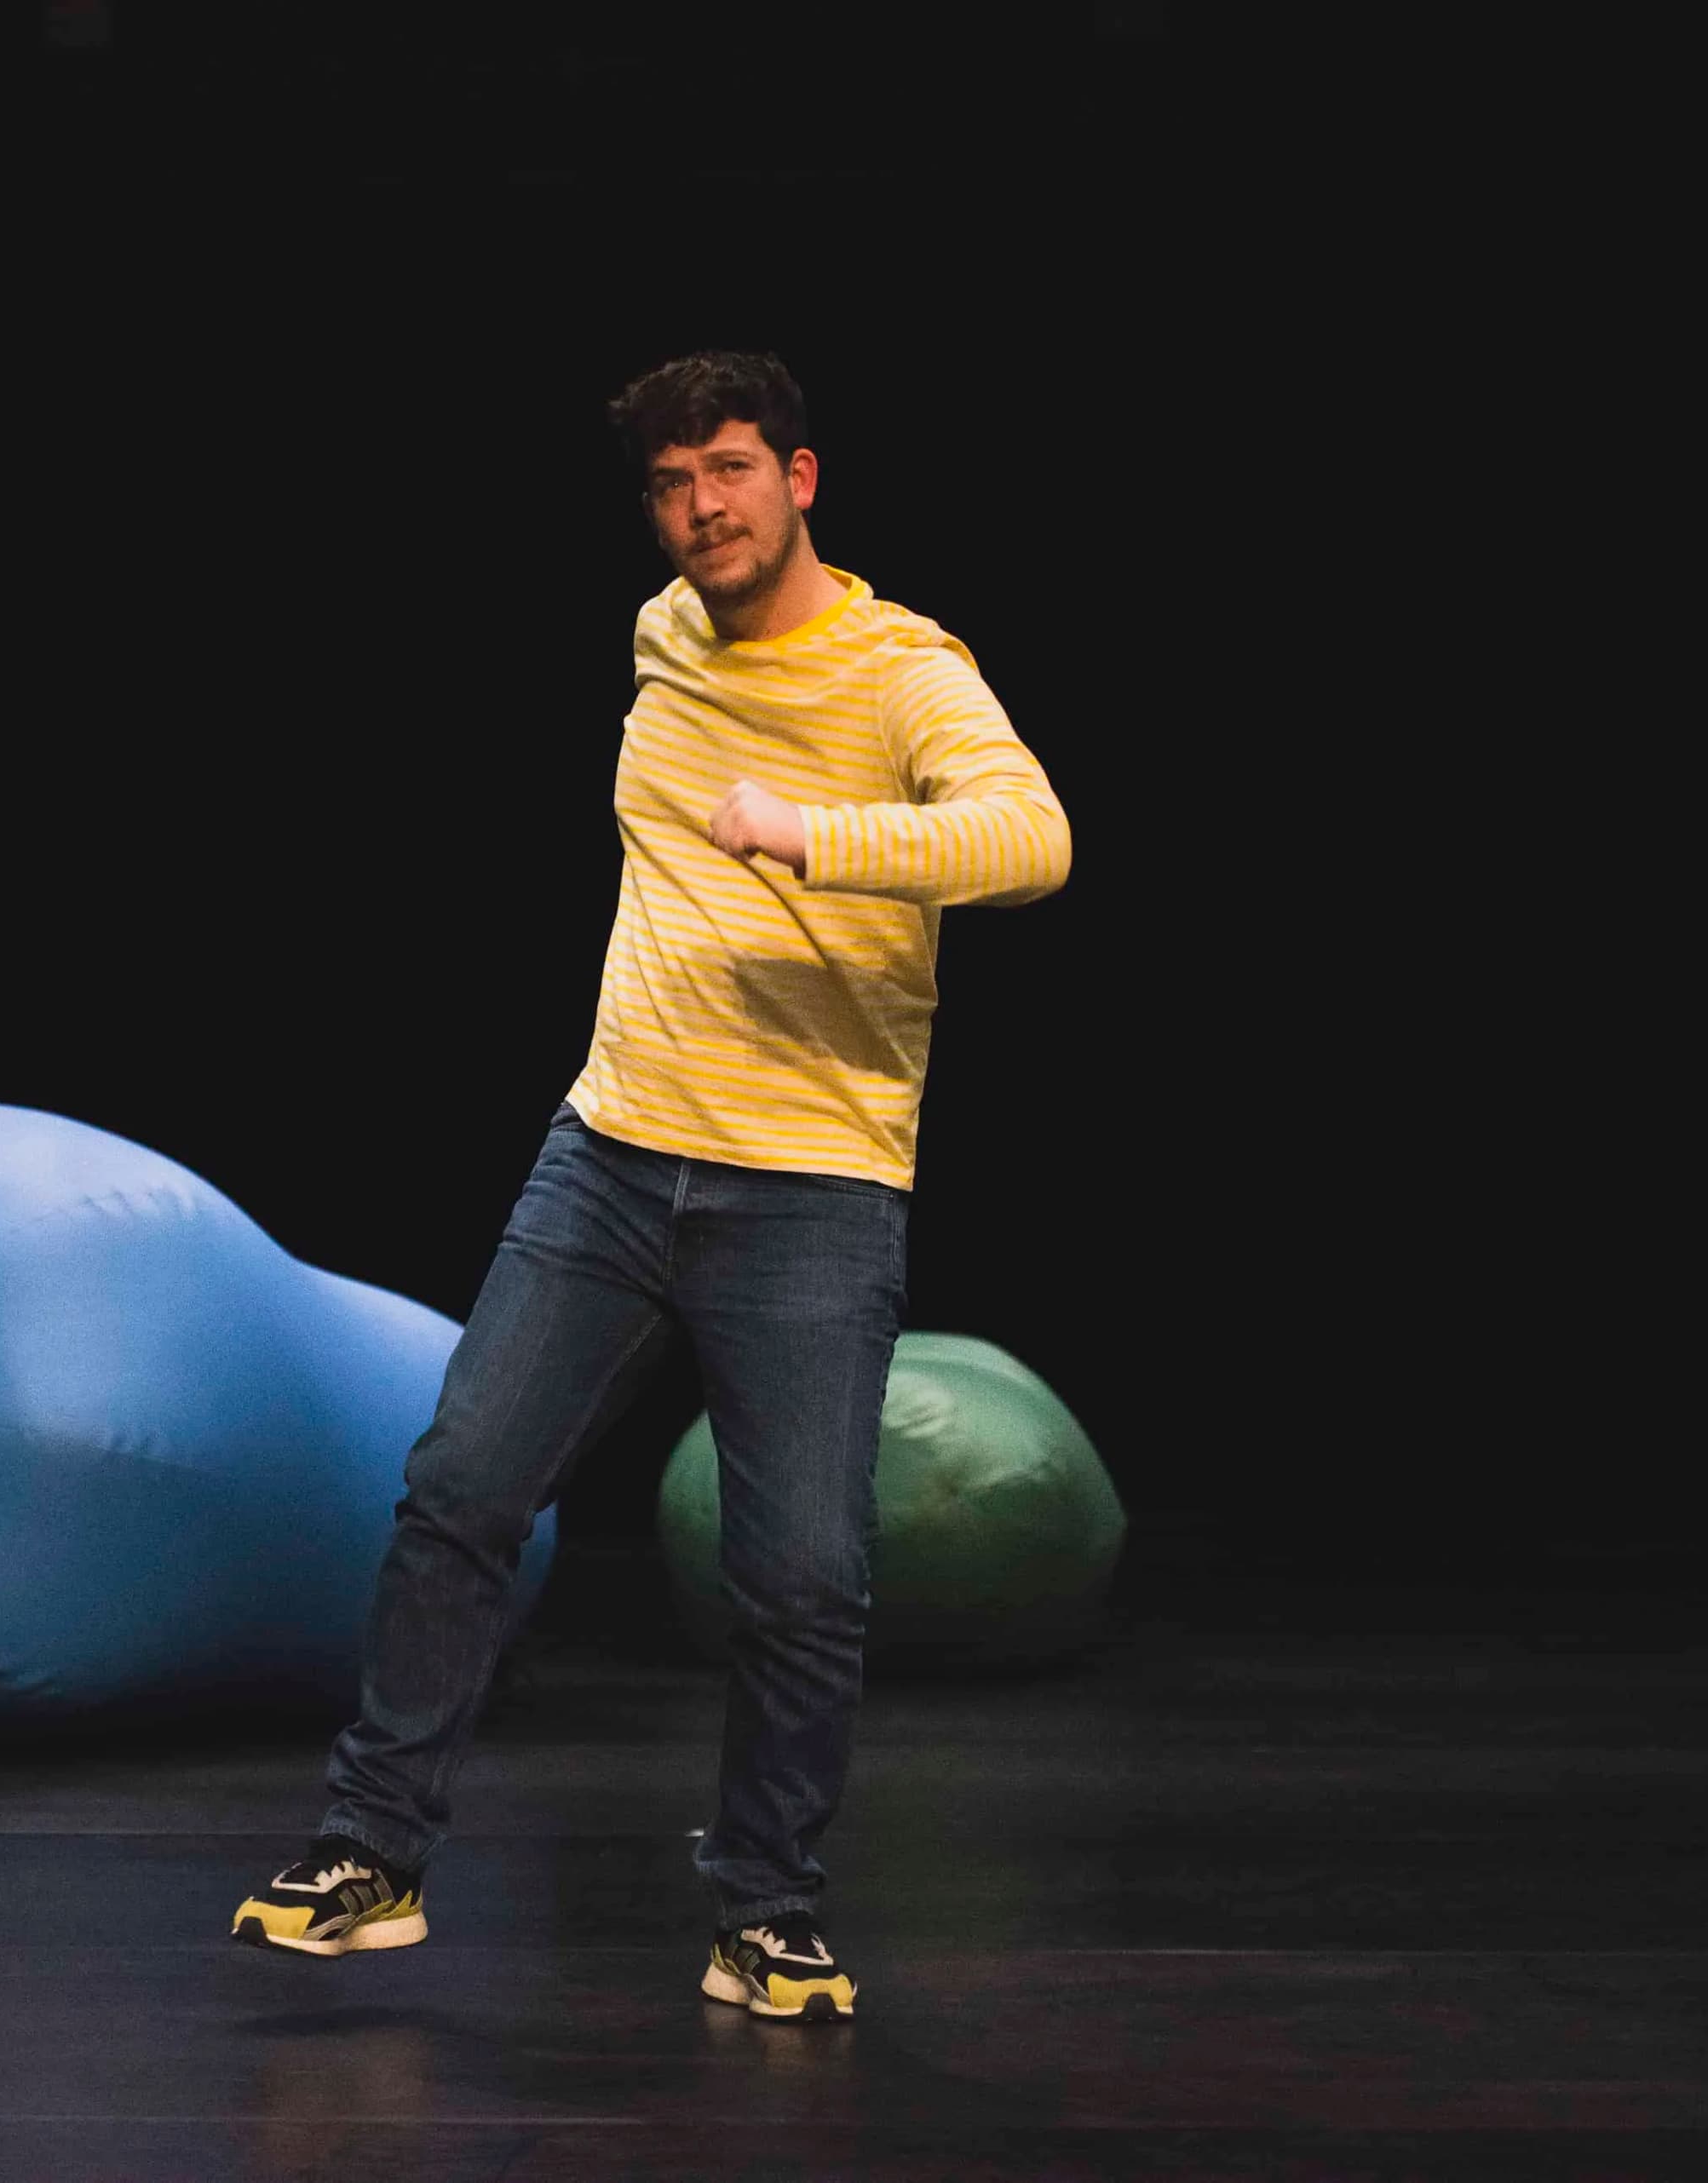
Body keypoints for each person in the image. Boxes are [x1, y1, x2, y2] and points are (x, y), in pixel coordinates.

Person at [228, 353, 1072, 2020]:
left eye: (734, 470)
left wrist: (818, 833)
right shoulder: (663, 633)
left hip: (814, 1185)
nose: (706, 507)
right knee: (462, 1485)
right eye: (677, 484)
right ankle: (371, 1855)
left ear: (803, 476)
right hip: (610, 1152)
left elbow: (1031, 838)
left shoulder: (904, 673)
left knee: (804, 1577)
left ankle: (766, 1911)